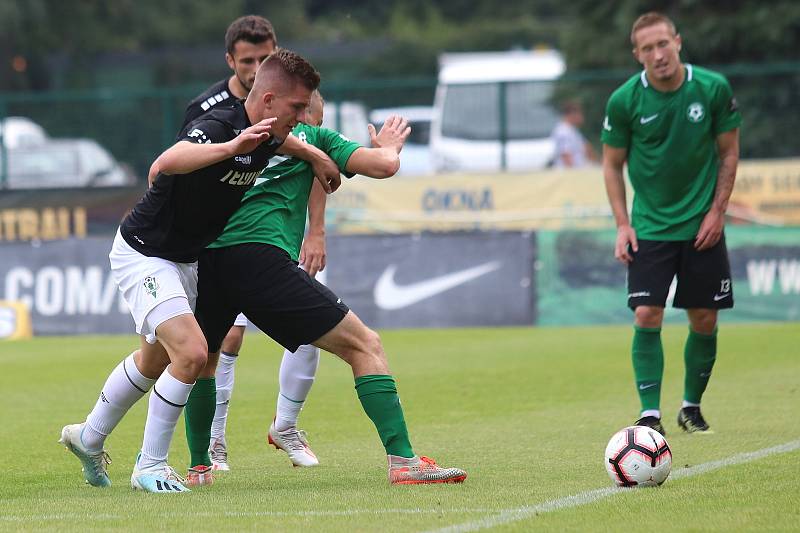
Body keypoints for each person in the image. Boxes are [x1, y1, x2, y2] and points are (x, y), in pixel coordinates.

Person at [59, 49, 341, 493]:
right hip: (145, 252)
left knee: (154, 360)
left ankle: (89, 437)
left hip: (186, 259)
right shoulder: (217, 126)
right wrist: (231, 149)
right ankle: (149, 466)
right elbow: (165, 162)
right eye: (297, 108)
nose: (304, 116)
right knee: (191, 354)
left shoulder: (267, 132)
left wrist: (315, 155)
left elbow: (276, 140)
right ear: (268, 100)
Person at [193, 98, 468, 486]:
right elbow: (384, 166)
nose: (311, 122)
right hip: (262, 262)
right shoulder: (312, 136)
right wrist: (388, 146)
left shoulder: (235, 128)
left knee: (201, 359)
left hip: (209, 260)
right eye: (311, 113)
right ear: (304, 111)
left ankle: (198, 467)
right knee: (365, 345)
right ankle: (403, 461)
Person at [176, 15, 327, 476]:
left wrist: (316, 231)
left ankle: (286, 425)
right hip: (223, 244)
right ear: (231, 62)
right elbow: (182, 168)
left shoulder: (301, 98)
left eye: (265, 57)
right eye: (248, 60)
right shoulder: (209, 108)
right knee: (220, 341)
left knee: (314, 331)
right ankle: (213, 444)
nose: (256, 65)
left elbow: (319, 161)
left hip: (279, 240)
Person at [601, 12, 741, 435]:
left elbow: (729, 153)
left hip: (702, 227)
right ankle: (649, 415)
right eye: (647, 48)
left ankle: (691, 408)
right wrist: (623, 225)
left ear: (677, 42)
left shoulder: (713, 88)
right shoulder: (624, 100)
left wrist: (718, 211)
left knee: (704, 319)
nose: (657, 55)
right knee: (646, 313)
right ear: (637, 55)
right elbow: (611, 165)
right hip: (650, 228)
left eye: (663, 44)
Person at [551, 99, 598, 168]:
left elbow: (588, 149)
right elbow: (566, 156)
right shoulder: (563, 132)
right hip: (570, 174)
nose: (582, 117)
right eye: (580, 113)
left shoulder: (573, 130)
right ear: (572, 114)